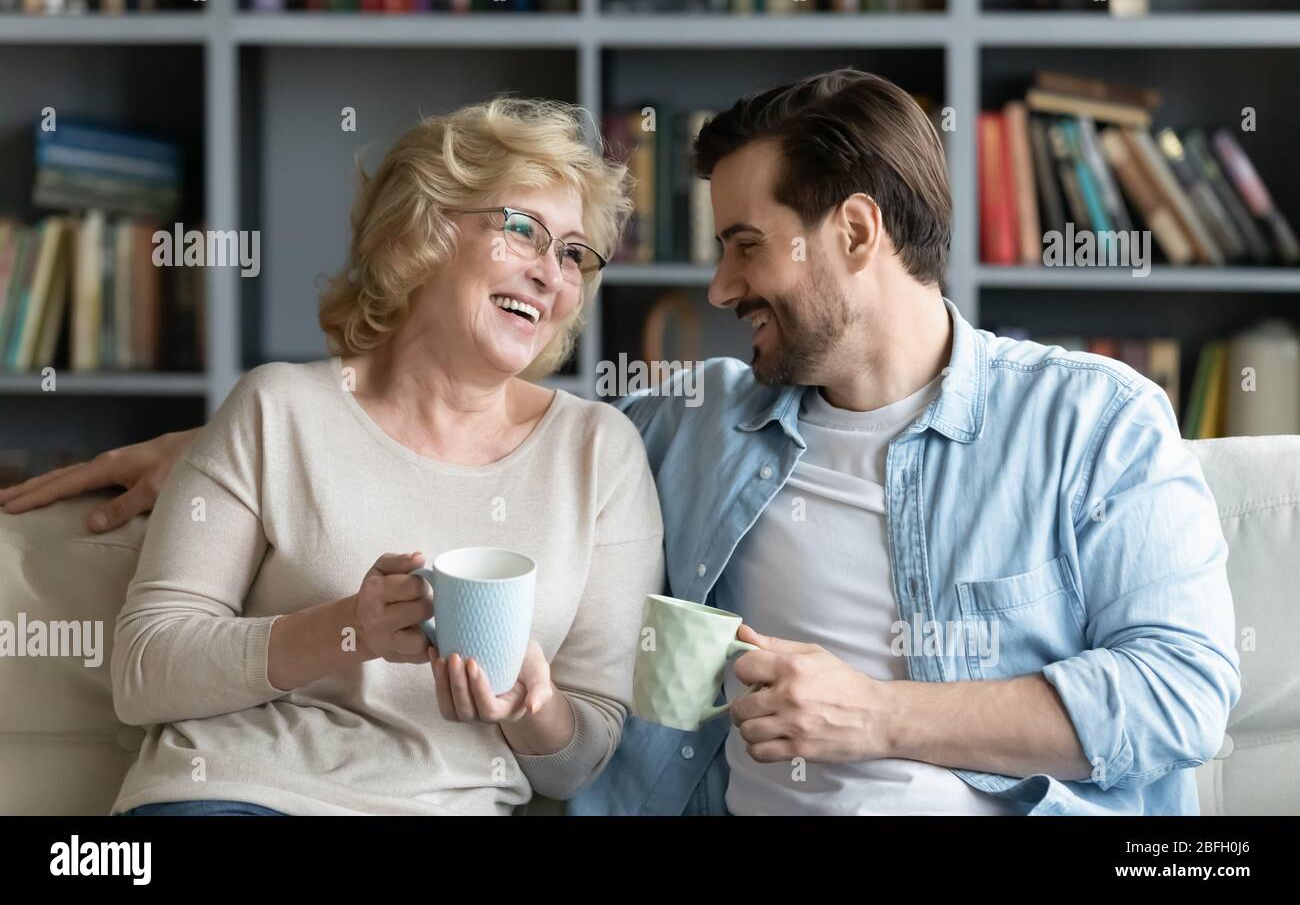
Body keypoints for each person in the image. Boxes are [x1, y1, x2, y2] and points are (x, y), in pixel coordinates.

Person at [3, 71, 1240, 816]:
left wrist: (878, 714)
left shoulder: (1093, 421)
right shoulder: (693, 422)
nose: (714, 284)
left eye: (747, 245)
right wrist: (218, 445)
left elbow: (1182, 692)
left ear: (856, 234)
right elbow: (432, 417)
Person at [5, 95, 666, 815]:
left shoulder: (601, 455)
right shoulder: (276, 409)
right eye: (523, 230)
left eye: (574, 254)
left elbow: (579, 760)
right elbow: (143, 669)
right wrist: (348, 628)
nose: (552, 274)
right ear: (428, 228)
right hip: (234, 795)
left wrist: (529, 709)